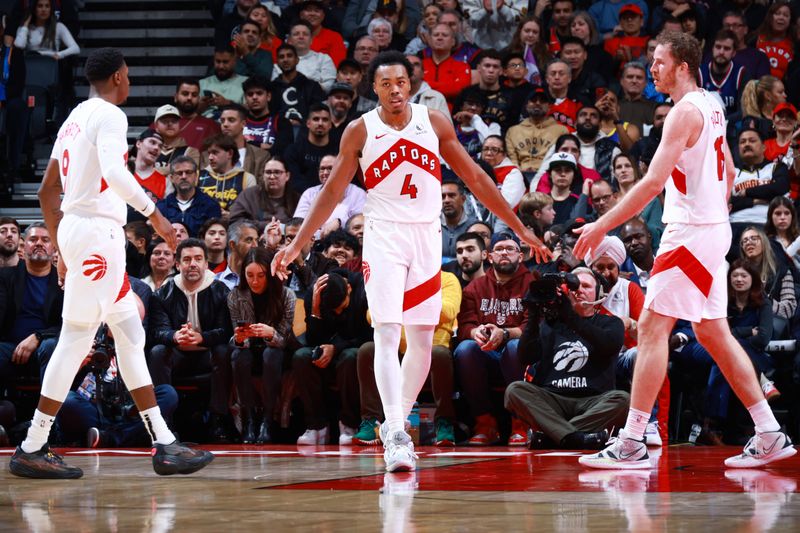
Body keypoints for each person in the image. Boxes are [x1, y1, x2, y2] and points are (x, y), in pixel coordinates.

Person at [272, 51, 549, 472]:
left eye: (402, 81)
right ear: (375, 89)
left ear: (411, 82)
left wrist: (518, 228)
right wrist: (297, 243)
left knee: (422, 337)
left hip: (426, 234)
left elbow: (475, 178)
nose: (396, 90)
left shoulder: (433, 122)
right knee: (386, 333)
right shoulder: (359, 131)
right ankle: (399, 433)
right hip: (383, 237)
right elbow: (330, 192)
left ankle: (394, 424)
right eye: (386, 84)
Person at [574, 32, 795, 469]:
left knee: (653, 328)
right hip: (710, 231)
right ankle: (769, 431)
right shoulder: (713, 103)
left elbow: (654, 183)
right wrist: (715, 198)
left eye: (658, 62)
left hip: (691, 234)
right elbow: (730, 168)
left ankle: (634, 439)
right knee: (713, 333)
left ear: (681, 67)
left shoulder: (682, 114)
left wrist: (602, 224)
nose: (652, 68)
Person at [11, 48, 213, 479]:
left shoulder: (71, 119)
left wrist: (65, 248)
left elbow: (48, 193)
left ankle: (165, 443)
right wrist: (155, 214)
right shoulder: (110, 115)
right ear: (121, 76)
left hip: (84, 232)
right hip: (97, 234)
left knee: (129, 331)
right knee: (77, 337)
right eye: (130, 76)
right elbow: (116, 175)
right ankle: (33, 443)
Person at [506, 267, 629, 450]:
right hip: (552, 400)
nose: (579, 290)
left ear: (598, 293)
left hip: (593, 400)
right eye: (575, 286)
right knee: (514, 391)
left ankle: (553, 436)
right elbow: (525, 357)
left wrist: (569, 316)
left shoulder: (611, 323)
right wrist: (533, 316)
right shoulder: (549, 324)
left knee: (623, 400)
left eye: (586, 286)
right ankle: (576, 437)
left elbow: (607, 345)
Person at [148, 239, 234, 443]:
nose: (192, 264)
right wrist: (174, 336)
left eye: (198, 259)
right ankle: (163, 423)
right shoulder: (163, 292)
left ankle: (218, 419)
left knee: (224, 351)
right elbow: (156, 330)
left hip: (207, 352)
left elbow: (226, 331)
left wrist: (202, 337)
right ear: (177, 265)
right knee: (157, 351)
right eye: (186, 259)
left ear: (206, 263)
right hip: (178, 354)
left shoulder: (221, 290)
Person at [455, 233, 534, 446]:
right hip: (487, 353)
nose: (504, 253)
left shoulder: (533, 283)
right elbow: (464, 326)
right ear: (490, 256)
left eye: (510, 248)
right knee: (465, 349)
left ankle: (520, 423)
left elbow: (533, 328)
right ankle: (485, 424)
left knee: (515, 347)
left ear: (520, 255)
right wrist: (475, 332)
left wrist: (506, 333)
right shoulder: (475, 287)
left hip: (521, 355)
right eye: (499, 249)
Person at [228, 247, 295, 444]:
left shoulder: (286, 295)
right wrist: (240, 339)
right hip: (249, 351)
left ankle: (268, 419)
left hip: (278, 353)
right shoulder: (235, 296)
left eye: (260, 275)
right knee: (238, 356)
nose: (254, 281)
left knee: (271, 354)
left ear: (270, 274)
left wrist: (271, 333)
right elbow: (237, 337)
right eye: (249, 275)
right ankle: (248, 419)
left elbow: (284, 339)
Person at [0, 223, 62, 388]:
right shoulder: (5, 278)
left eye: (45, 240)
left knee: (51, 347)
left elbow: (66, 324)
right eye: (33, 239)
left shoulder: (63, 282)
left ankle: (48, 412)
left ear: (53, 248)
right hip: (8, 346)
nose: (39, 243)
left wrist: (38, 336)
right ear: (23, 244)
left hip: (46, 345)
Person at [157, 156, 223, 237]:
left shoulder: (211, 205)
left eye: (188, 172)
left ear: (196, 176)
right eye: (179, 173)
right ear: (171, 178)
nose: (184, 176)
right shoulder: (161, 207)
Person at [229, 157, 300, 225]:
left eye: (277, 172)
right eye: (268, 172)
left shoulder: (297, 199)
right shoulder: (248, 195)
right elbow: (235, 220)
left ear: (287, 176)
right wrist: (264, 226)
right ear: (263, 175)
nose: (272, 176)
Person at [172, 78, 222, 151]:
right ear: (175, 97)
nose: (189, 98)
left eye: (194, 95)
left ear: (198, 98)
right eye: (185, 94)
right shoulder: (161, 123)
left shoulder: (211, 126)